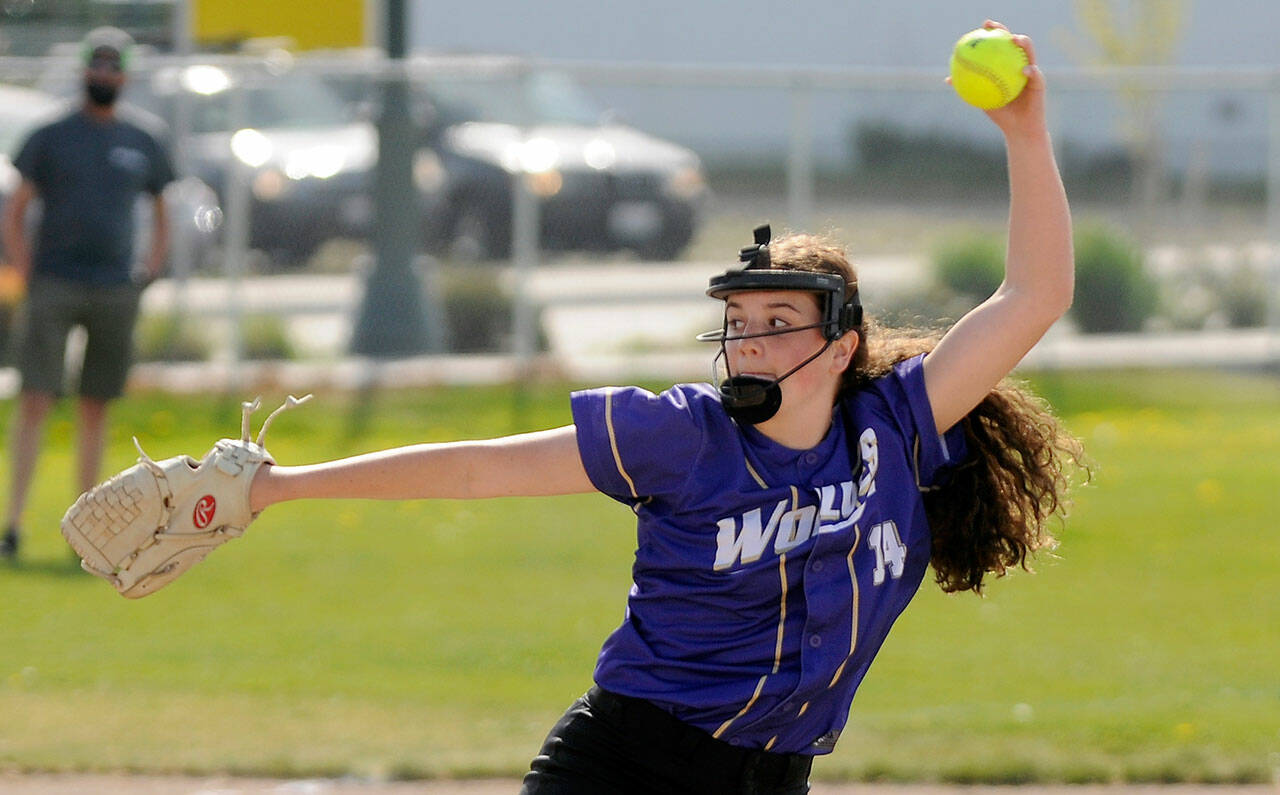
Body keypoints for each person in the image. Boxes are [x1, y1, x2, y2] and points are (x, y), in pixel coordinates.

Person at [131, 20, 1077, 792]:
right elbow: (479, 465)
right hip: (624, 766)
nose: (747, 338)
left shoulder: (896, 426)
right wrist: (281, 486)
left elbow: (1032, 294)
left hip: (774, 774)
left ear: (842, 345)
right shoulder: (679, 435)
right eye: (738, 318)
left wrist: (1025, 134)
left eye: (778, 320)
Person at [0, 27, 174, 559]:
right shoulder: (51, 135)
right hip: (54, 282)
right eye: (95, 66)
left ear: (124, 75)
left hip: (114, 288)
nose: (103, 76)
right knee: (35, 399)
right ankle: (12, 524)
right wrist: (25, 268)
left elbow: (163, 209)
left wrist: (148, 268)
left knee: (95, 405)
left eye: (112, 67)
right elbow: (19, 205)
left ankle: (84, 527)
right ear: (83, 72)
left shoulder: (142, 139)